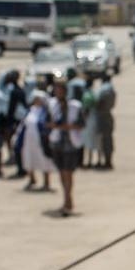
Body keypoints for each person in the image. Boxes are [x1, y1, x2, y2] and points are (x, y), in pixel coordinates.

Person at [46, 81, 84, 217]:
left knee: (68, 173)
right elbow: (48, 122)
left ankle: (68, 200)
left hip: (71, 144)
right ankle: (66, 198)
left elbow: (81, 124)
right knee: (62, 173)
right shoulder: (52, 105)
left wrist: (66, 127)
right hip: (57, 143)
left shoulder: (75, 106)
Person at [19, 90, 56, 192]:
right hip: (29, 140)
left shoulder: (46, 112)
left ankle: (46, 182)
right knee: (29, 159)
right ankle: (32, 179)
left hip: (41, 140)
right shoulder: (30, 110)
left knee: (44, 160)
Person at [4, 71, 28, 178]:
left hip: (18, 122)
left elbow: (12, 109)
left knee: (18, 145)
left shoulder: (15, 92)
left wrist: (9, 123)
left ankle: (21, 168)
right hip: (20, 121)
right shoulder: (19, 90)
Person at [94, 74, 116, 170]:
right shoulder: (111, 88)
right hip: (108, 115)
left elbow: (100, 101)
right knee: (108, 140)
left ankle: (105, 161)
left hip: (103, 116)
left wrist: (96, 107)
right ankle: (108, 161)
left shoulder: (104, 88)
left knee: (103, 140)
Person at [81, 78, 101, 168]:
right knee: (97, 140)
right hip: (96, 118)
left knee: (89, 142)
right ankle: (99, 160)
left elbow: (86, 110)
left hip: (89, 120)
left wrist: (83, 120)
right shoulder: (95, 93)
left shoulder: (87, 95)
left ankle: (89, 161)